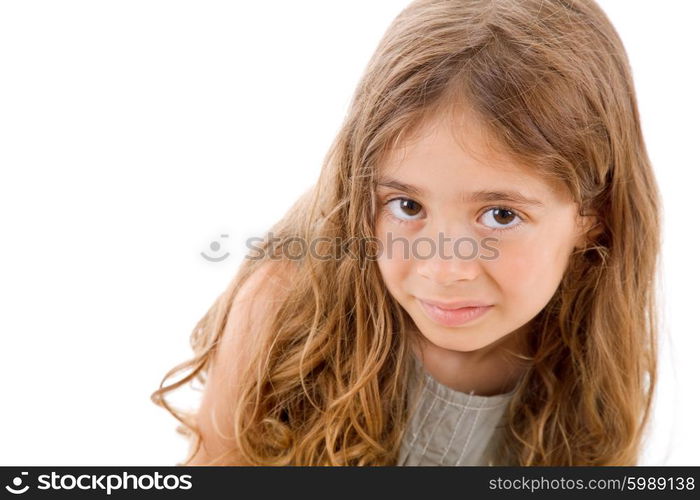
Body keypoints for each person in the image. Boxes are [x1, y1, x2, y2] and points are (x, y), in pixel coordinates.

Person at [151, 0, 661, 466]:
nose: (442, 268)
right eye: (406, 205)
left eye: (500, 215)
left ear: (593, 214)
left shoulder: (593, 345)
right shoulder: (285, 305)